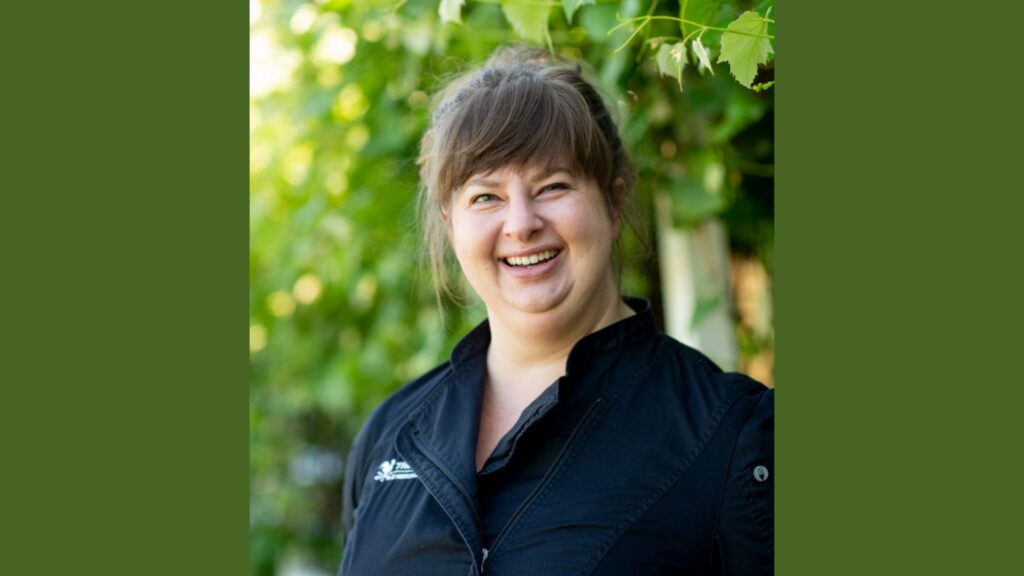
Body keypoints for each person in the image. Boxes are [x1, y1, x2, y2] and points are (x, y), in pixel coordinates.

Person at [337, 46, 773, 576]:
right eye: (486, 197)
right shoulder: (390, 435)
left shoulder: (730, 435)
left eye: (553, 186)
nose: (521, 223)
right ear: (451, 226)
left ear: (612, 206)